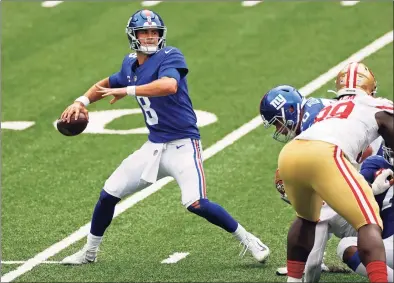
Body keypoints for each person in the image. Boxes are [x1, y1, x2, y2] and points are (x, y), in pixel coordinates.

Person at [60, 9, 269, 265]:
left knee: (195, 202)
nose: (150, 37)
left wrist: (127, 90)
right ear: (133, 35)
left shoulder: (170, 56)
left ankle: (249, 240)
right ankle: (89, 253)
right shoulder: (130, 64)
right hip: (155, 146)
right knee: (109, 193)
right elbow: (104, 84)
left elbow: (168, 85)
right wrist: (81, 101)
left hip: (183, 145)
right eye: (144, 32)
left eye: (154, 32)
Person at [277, 61, 394, 282]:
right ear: (370, 87)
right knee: (369, 223)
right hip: (326, 154)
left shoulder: (326, 109)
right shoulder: (376, 104)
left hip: (290, 153)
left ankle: (293, 280)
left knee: (305, 219)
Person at [336, 147, 394, 281]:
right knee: (346, 246)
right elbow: (355, 190)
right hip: (389, 243)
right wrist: (372, 190)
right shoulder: (376, 164)